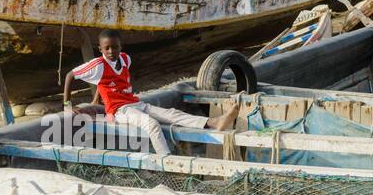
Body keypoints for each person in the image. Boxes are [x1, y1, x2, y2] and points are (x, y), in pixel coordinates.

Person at [63, 30, 240, 156]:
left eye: (114, 47)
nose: (111, 52)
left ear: (120, 46)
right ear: (100, 49)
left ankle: (214, 122)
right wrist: (67, 105)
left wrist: (97, 100)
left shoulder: (125, 59)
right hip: (119, 111)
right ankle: (167, 161)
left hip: (135, 103)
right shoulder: (97, 65)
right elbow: (70, 75)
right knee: (152, 124)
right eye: (107, 48)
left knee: (172, 114)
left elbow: (106, 84)